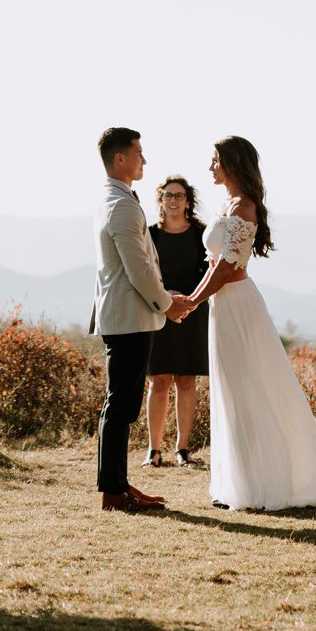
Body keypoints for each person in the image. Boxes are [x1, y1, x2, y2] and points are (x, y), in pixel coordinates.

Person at [177, 136, 316, 512]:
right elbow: (214, 264)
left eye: (215, 160)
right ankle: (238, 481)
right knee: (230, 388)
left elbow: (228, 269)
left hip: (239, 305)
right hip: (221, 305)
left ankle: (262, 482)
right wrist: (194, 299)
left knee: (248, 386)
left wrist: (193, 302)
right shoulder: (226, 205)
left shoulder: (245, 208)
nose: (210, 167)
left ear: (231, 163)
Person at [89, 127, 188, 512]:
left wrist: (164, 297)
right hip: (128, 318)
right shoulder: (121, 205)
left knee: (119, 404)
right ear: (120, 158)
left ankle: (118, 485)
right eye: (138, 153)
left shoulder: (114, 199)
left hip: (126, 315)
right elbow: (138, 270)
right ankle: (114, 492)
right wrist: (167, 304)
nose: (144, 159)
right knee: (120, 406)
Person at [143, 175, 209, 468]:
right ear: (161, 200)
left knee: (186, 380)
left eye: (179, 195)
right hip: (159, 311)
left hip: (193, 311)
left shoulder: (200, 234)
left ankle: (182, 449)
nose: (173, 200)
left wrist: (189, 300)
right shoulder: (150, 235)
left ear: (188, 201)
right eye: (168, 195)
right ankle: (153, 450)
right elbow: (144, 272)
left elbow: (209, 271)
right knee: (159, 381)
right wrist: (167, 296)